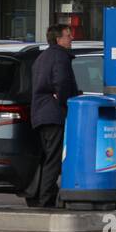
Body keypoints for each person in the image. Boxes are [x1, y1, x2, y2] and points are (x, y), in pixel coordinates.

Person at [26, 23, 78, 208]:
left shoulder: (42, 57)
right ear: (58, 39)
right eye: (68, 35)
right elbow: (62, 82)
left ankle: (37, 195)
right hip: (53, 114)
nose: (71, 38)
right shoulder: (60, 57)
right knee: (54, 159)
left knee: (47, 157)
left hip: (40, 114)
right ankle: (46, 199)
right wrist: (66, 101)